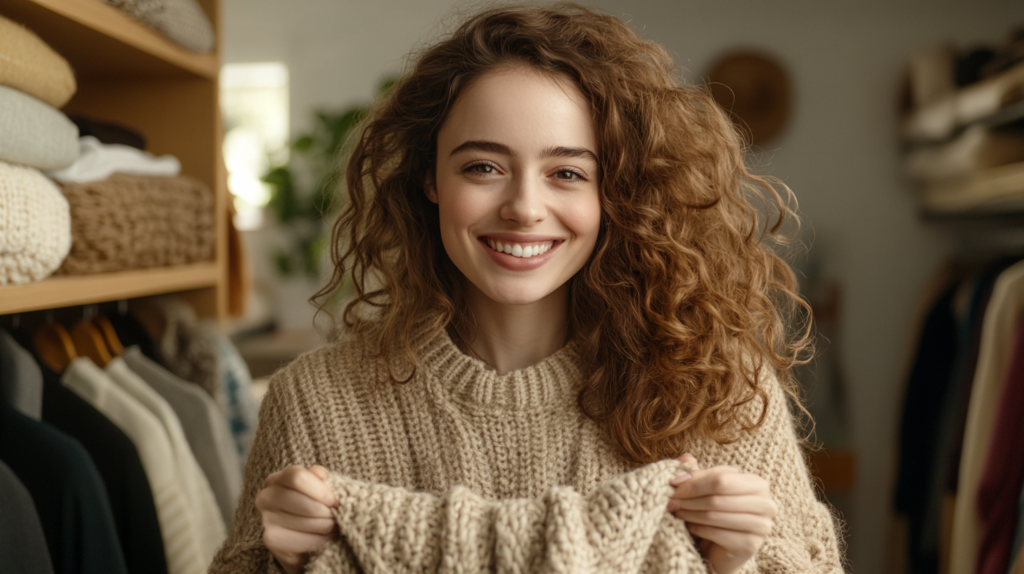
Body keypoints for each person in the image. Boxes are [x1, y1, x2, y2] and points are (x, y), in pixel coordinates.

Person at [209, 4, 844, 573]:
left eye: (567, 172)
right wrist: (282, 563)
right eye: (483, 167)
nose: (524, 208)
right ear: (430, 177)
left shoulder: (716, 386)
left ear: (614, 192)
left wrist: (739, 564)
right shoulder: (315, 403)